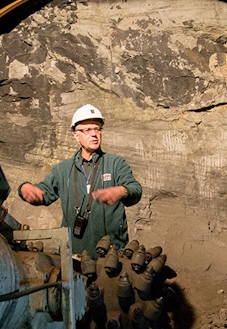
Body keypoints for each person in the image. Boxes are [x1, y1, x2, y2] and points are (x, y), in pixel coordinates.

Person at [18, 104, 142, 257]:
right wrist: (24, 188)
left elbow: (135, 189)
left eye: (97, 129)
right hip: (73, 253)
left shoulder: (115, 163)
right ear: (76, 136)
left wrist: (122, 191)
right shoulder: (62, 170)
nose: (94, 134)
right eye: (87, 130)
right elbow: (43, 193)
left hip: (112, 255)